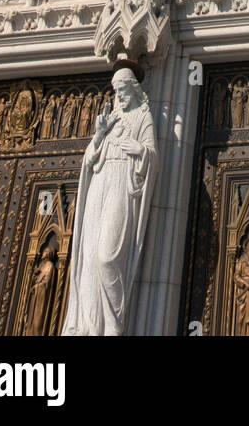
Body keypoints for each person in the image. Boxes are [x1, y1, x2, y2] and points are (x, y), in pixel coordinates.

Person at [62, 67, 158, 336]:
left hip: (122, 183)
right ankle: (89, 327)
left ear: (133, 89)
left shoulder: (143, 117)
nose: (119, 96)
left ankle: (114, 328)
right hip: (100, 183)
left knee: (107, 257)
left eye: (122, 91)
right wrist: (99, 134)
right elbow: (89, 160)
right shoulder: (112, 118)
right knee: (90, 257)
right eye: (115, 91)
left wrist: (140, 151)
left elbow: (153, 158)